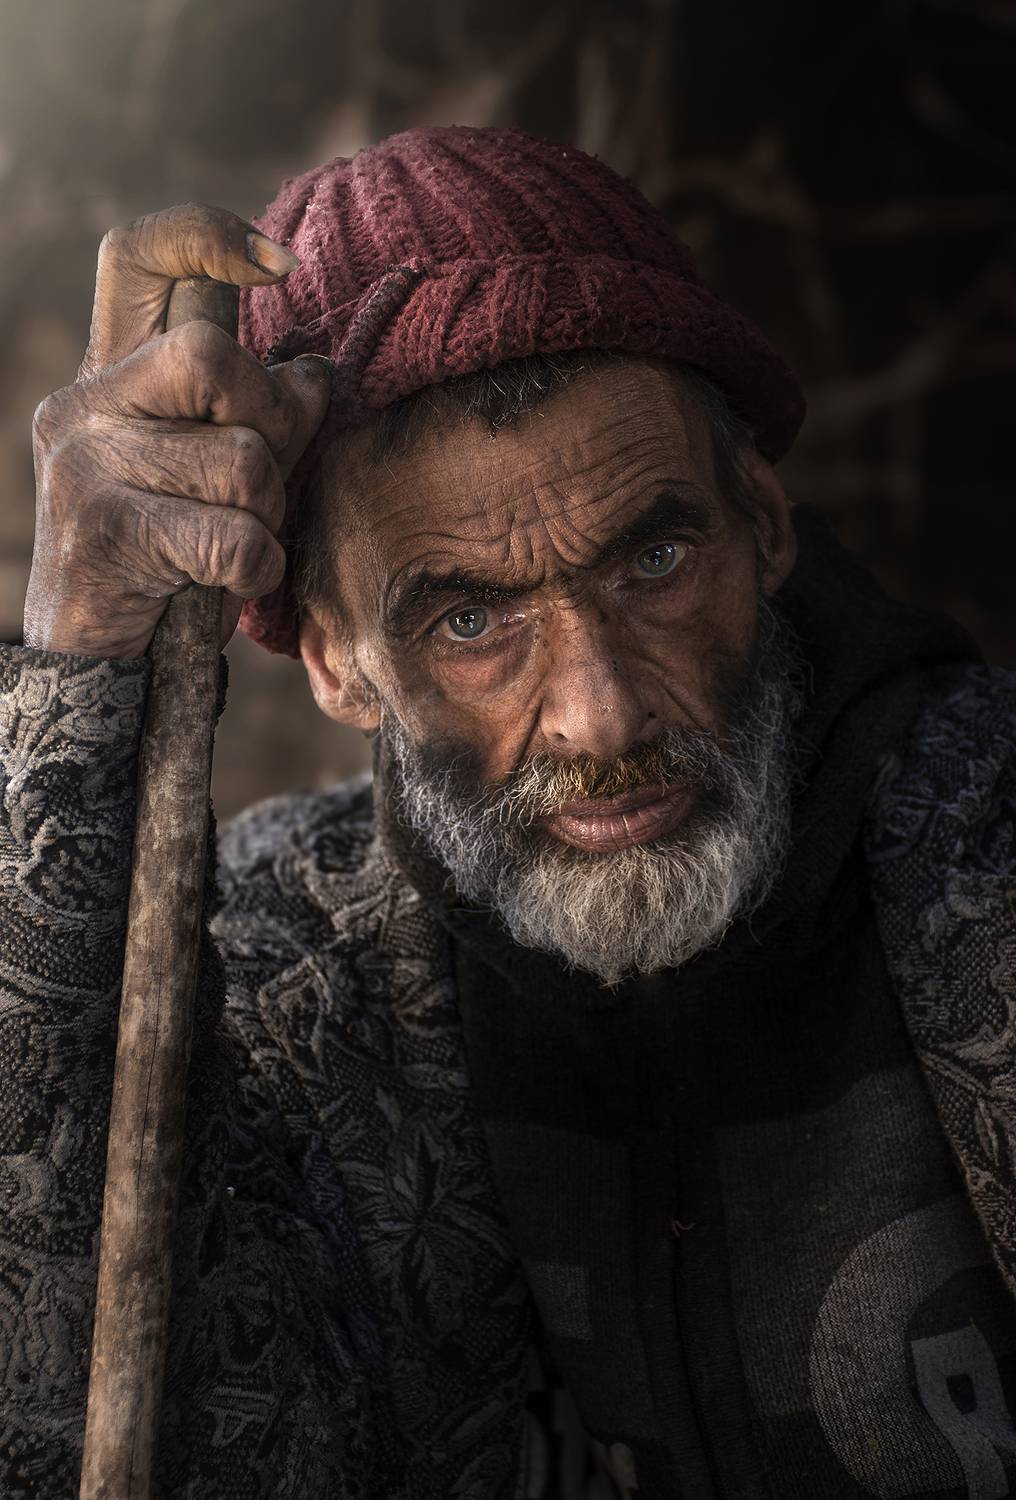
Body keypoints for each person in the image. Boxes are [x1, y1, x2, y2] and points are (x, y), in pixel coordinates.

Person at [3, 124, 1015, 1499]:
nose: (599, 712)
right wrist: (80, 685)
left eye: (655, 560)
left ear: (764, 522)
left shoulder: (990, 835)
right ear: (336, 659)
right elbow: (65, 1405)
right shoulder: (288, 977)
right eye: (471, 619)